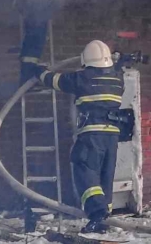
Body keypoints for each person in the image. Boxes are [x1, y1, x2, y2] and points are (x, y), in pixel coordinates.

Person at [37, 40, 136, 234]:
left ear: (86, 60)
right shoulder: (117, 80)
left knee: (84, 169)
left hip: (92, 135)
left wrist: (38, 72)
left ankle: (97, 213)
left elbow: (55, 81)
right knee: (104, 177)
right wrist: (119, 63)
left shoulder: (82, 78)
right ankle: (103, 220)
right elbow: (115, 72)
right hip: (112, 137)